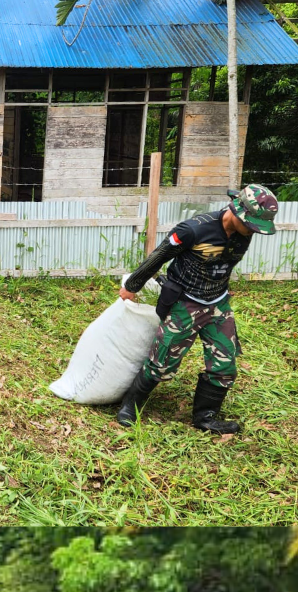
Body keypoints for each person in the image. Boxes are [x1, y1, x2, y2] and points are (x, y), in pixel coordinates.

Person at [113, 184, 278, 433]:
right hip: (185, 302)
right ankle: (129, 405)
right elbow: (159, 255)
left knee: (225, 363)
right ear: (236, 210)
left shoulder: (246, 230)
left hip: (218, 302)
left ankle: (205, 417)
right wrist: (132, 285)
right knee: (163, 361)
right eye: (251, 224)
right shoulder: (194, 229)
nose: (253, 231)